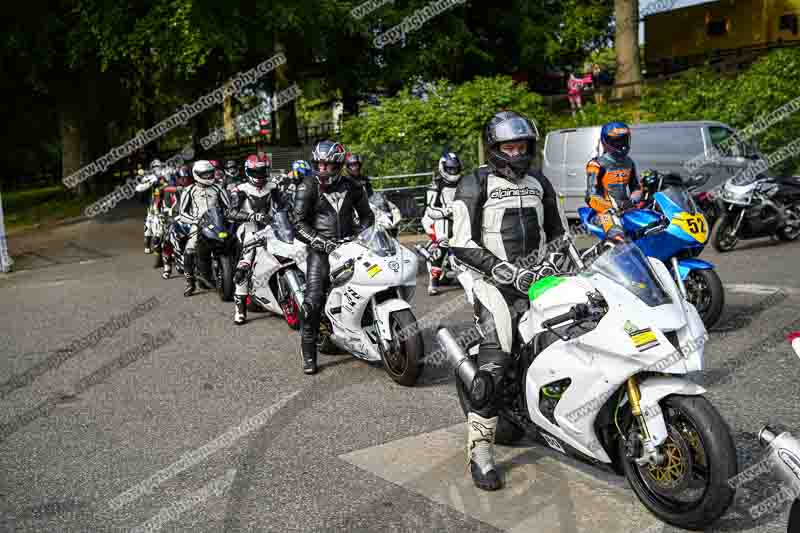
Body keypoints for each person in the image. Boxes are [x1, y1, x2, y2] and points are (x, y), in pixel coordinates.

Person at [451, 111, 566, 491]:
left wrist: (563, 263)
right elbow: (462, 242)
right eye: (508, 146)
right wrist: (505, 273)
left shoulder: (540, 183)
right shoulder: (475, 182)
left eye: (522, 146)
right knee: (495, 362)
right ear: (494, 149)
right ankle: (480, 453)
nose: (516, 152)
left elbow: (560, 235)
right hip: (492, 283)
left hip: (537, 278)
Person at [293, 140, 375, 375]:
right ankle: (309, 353)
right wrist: (319, 241)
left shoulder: (353, 186)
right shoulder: (307, 186)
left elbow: (367, 216)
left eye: (328, 165)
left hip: (351, 246)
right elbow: (297, 223)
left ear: (339, 165)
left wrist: (362, 234)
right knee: (312, 303)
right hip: (320, 250)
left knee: (372, 281)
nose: (323, 169)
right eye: (319, 164)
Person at [227, 154, 275, 325]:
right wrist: (252, 216)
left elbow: (286, 206)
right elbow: (231, 213)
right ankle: (240, 310)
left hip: (273, 230)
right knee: (243, 267)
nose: (260, 175)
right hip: (249, 231)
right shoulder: (240, 190)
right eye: (256, 171)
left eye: (263, 171)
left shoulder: (273, 186)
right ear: (248, 171)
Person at [176, 160, 232, 297]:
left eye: (210, 174)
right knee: (189, 250)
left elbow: (229, 208)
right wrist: (195, 220)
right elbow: (182, 213)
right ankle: (190, 282)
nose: (208, 177)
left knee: (233, 243)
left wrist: (228, 217)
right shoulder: (189, 190)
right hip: (197, 224)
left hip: (218, 222)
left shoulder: (218, 188)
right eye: (204, 175)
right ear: (196, 175)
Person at [585, 121, 642, 235]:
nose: (622, 144)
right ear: (605, 141)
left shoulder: (629, 162)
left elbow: (636, 187)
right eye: (617, 141)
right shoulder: (596, 165)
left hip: (626, 210)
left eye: (624, 140)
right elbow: (590, 196)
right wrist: (612, 207)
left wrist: (633, 200)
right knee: (618, 236)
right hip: (604, 212)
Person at [422, 151, 463, 296]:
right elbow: (430, 208)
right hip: (441, 219)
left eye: (455, 168)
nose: (453, 171)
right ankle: (433, 282)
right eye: (450, 168)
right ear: (443, 167)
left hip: (461, 217)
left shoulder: (464, 181)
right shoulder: (436, 184)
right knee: (443, 244)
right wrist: (447, 211)